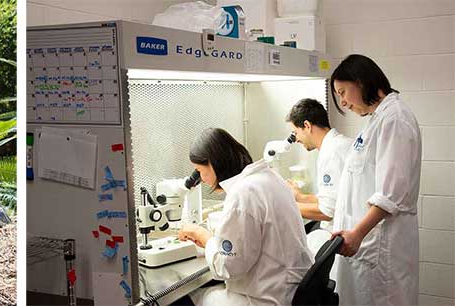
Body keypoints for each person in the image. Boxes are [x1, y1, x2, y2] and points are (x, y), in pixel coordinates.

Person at [178, 128, 313, 306]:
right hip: (289, 289)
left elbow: (227, 268)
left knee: (185, 299)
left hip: (267, 298)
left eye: (199, 170)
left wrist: (204, 237)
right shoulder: (269, 177)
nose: (201, 179)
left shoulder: (242, 194)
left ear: (213, 164)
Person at [328, 54, 421, 305]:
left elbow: (390, 194)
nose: (343, 102)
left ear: (360, 81)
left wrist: (357, 233)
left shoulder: (395, 119)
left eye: (343, 92)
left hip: (381, 251)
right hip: (368, 250)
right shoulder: (378, 120)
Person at [285, 98, 353, 230]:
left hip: (345, 233)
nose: (296, 139)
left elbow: (327, 211)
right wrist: (299, 196)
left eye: (296, 133)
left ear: (307, 126)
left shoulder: (331, 153)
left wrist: (283, 206)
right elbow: (333, 200)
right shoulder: (338, 144)